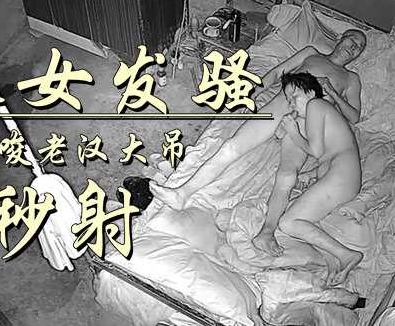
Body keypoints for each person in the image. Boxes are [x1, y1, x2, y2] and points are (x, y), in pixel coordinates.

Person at [149, 29, 367, 210]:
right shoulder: (312, 54)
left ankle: (264, 224)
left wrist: (332, 92)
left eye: (360, 47)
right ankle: (182, 194)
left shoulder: (351, 79)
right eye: (352, 40)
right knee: (231, 147)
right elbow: (276, 73)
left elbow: (354, 117)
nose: (354, 47)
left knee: (284, 175)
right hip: (282, 105)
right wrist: (251, 94)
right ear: (340, 37)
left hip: (307, 124)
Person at [255, 72, 363, 286]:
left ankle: (347, 254)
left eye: (294, 96)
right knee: (300, 217)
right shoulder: (320, 112)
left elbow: (316, 150)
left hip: (343, 174)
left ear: (311, 92)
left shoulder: (316, 105)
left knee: (288, 222)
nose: (291, 103)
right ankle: (333, 260)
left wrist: (293, 131)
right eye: (288, 99)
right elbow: (327, 151)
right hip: (342, 176)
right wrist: (309, 175)